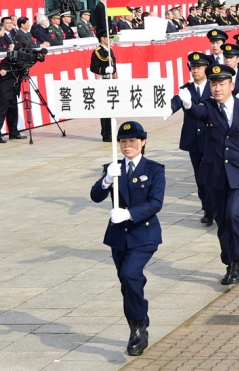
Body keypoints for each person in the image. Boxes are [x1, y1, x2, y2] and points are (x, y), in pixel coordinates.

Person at [176, 64, 239, 285]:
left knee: (234, 213)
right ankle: (228, 260)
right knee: (222, 219)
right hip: (216, 174)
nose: (217, 89)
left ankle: (238, 260)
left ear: (231, 85)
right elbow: (197, 113)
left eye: (221, 84)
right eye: (213, 84)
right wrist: (188, 105)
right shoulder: (208, 106)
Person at [90, 121, 164, 357]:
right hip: (118, 237)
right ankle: (138, 318)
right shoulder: (113, 167)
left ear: (142, 142)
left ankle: (138, 329)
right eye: (123, 141)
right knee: (128, 283)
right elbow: (95, 196)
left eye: (132, 140)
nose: (127, 145)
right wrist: (107, 180)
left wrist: (130, 213)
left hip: (143, 234)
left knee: (130, 274)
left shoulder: (154, 169)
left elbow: (155, 203)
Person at [170, 52, 215, 225]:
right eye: (193, 68)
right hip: (193, 140)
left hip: (211, 137)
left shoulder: (213, 86)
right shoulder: (186, 89)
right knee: (200, 176)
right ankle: (207, 208)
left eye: (199, 67)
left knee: (212, 174)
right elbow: (176, 101)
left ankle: (214, 206)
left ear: (206, 69)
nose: (195, 71)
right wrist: (167, 109)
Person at [0, 53, 27, 143]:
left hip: (13, 91)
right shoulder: (6, 61)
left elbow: (24, 72)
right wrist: (1, 72)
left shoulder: (20, 62)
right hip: (3, 92)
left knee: (13, 112)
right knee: (1, 113)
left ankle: (13, 133)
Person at [90, 31, 117, 142]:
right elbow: (93, 67)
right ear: (102, 38)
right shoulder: (97, 52)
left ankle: (111, 131)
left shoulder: (109, 50)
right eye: (108, 37)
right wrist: (104, 70)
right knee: (105, 108)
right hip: (103, 80)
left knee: (112, 107)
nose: (111, 40)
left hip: (111, 80)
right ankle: (106, 134)